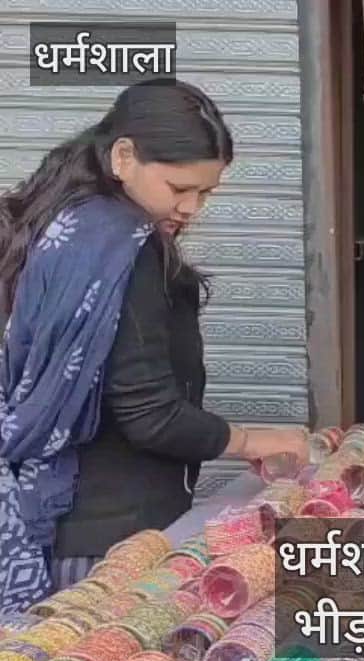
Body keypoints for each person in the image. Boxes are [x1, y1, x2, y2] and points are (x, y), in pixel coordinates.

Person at [0, 80, 310, 611]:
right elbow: (149, 411)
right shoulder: (123, 246)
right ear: (124, 157)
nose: (191, 208)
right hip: (109, 545)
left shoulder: (65, 226)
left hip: (64, 527)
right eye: (178, 188)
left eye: (205, 193)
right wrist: (254, 440)